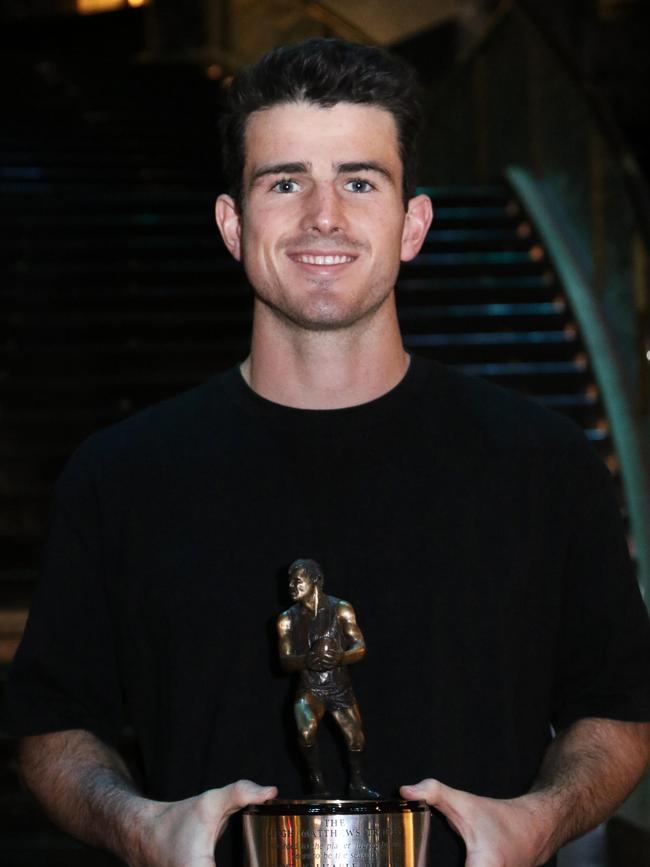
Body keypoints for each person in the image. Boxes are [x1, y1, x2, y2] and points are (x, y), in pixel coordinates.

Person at [5, 37, 650, 867]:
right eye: (285, 181)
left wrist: (542, 816)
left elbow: (620, 710)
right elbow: (51, 725)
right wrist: (136, 824)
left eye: (358, 180)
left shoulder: (545, 463)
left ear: (411, 223)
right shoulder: (119, 475)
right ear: (233, 225)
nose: (323, 216)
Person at [277, 558, 379, 798]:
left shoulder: (341, 608)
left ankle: (356, 782)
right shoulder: (286, 619)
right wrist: (307, 661)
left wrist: (340, 657)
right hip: (309, 688)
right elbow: (284, 660)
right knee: (305, 732)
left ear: (316, 581)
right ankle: (317, 783)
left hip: (339, 687)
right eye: (289, 581)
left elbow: (360, 647)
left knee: (356, 739)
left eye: (297, 580)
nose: (292, 585)